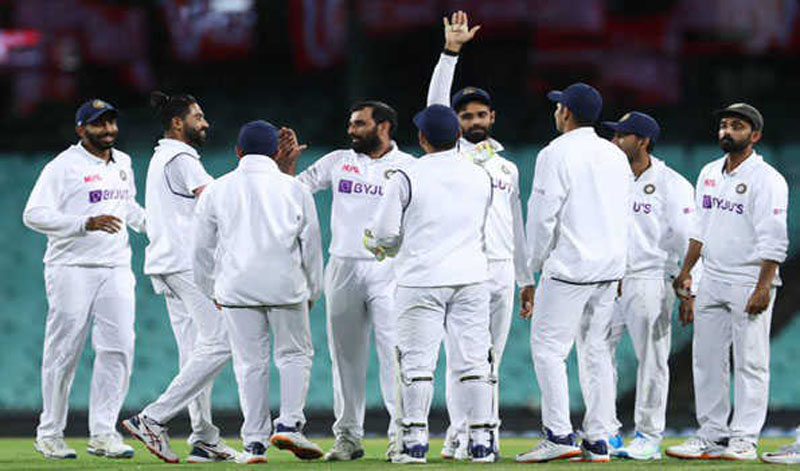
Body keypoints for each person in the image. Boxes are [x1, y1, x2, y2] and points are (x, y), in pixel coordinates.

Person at [280, 101, 415, 461]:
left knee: (395, 355)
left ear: (383, 126)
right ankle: (348, 437)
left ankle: (402, 436)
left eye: (359, 124)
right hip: (342, 265)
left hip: (390, 269)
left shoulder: (409, 167)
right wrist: (287, 166)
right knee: (345, 359)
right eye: (351, 124)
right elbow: (292, 193)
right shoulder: (338, 161)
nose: (351, 130)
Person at [425, 11, 533, 460]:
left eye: (479, 114)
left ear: (492, 116)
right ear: (455, 121)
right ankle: (460, 433)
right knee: (463, 359)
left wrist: (526, 279)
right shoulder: (451, 156)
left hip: (502, 270)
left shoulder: (506, 167)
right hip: (463, 267)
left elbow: (517, 225)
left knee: (490, 361)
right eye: (465, 115)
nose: (473, 120)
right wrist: (451, 53)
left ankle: (484, 432)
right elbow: (434, 106)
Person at [364, 104, 496, 464]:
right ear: (458, 135)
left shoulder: (406, 175)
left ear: (422, 138)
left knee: (417, 364)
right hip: (471, 276)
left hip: (421, 279)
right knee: (474, 362)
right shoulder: (480, 175)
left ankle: (414, 443)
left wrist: (381, 245)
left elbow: (385, 233)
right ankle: (481, 441)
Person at [192, 120, 325, 464]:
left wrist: (211, 289)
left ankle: (253, 444)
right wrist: (314, 287)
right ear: (277, 152)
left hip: (236, 289)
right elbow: (311, 243)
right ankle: (290, 424)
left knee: (249, 364)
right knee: (294, 356)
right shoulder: (294, 188)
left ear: (238, 151)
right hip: (286, 287)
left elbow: (201, 249)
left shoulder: (216, 190)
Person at [516, 83, 632, 463]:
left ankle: (559, 435)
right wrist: (621, 266)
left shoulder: (556, 152)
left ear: (565, 112)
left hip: (570, 268)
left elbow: (542, 215)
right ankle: (598, 439)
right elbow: (625, 213)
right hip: (608, 269)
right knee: (596, 353)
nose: (556, 112)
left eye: (558, 107)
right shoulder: (614, 154)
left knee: (548, 351)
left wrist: (533, 266)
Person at [23, 99, 145, 459]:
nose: (108, 130)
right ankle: (50, 433)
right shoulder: (62, 166)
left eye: (111, 123)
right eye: (98, 124)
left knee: (119, 348)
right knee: (64, 351)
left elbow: (129, 208)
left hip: (116, 267)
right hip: (71, 268)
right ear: (81, 129)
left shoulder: (123, 163)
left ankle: (104, 433)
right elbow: (33, 214)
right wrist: (83, 223)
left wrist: (157, 228)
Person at [666, 103, 789, 461]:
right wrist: (687, 270)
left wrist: (764, 286)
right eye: (724, 125)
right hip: (712, 277)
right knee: (706, 361)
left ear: (755, 135)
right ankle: (712, 435)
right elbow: (698, 229)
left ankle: (745, 439)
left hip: (749, 279)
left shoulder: (768, 179)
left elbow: (774, 238)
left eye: (737, 126)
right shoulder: (709, 172)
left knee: (751, 362)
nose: (727, 131)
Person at [122, 92, 236, 463]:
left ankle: (203, 437)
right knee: (222, 342)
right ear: (177, 122)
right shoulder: (182, 157)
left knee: (195, 353)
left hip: (168, 264)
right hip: (186, 265)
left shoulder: (162, 157)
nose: (205, 123)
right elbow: (215, 200)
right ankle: (152, 418)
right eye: (197, 116)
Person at [602, 111, 699, 460]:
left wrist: (689, 291)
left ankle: (648, 435)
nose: (614, 141)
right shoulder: (608, 178)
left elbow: (689, 238)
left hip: (650, 278)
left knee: (652, 360)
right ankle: (605, 431)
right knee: (597, 354)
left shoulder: (672, 184)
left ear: (642, 141)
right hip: (607, 278)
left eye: (621, 136)